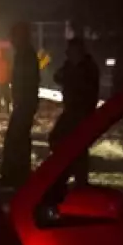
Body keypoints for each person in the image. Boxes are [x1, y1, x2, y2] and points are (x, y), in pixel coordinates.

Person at [48, 36, 101, 187]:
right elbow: (57, 76)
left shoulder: (88, 67)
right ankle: (71, 174)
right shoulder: (70, 65)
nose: (68, 54)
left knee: (74, 144)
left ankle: (76, 179)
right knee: (60, 140)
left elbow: (88, 90)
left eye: (70, 51)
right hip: (71, 110)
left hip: (82, 112)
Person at [0, 21, 40, 187]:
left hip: (25, 104)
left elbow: (27, 81)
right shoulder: (23, 54)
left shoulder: (26, 55)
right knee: (18, 139)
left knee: (16, 140)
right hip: (23, 103)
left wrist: (22, 101)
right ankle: (16, 175)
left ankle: (15, 176)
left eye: (14, 36)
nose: (11, 40)